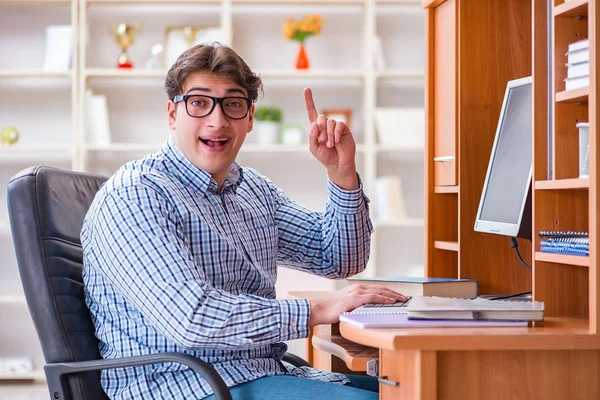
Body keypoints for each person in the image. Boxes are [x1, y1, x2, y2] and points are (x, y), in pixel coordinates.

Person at [81, 43, 407, 400]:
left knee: (423, 389)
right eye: (199, 102)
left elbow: (339, 258)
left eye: (232, 104)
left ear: (250, 117)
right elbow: (193, 318)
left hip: (260, 373)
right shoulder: (134, 195)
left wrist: (341, 173)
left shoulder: (253, 189)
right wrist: (318, 309)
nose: (217, 121)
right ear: (173, 114)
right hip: (183, 385)